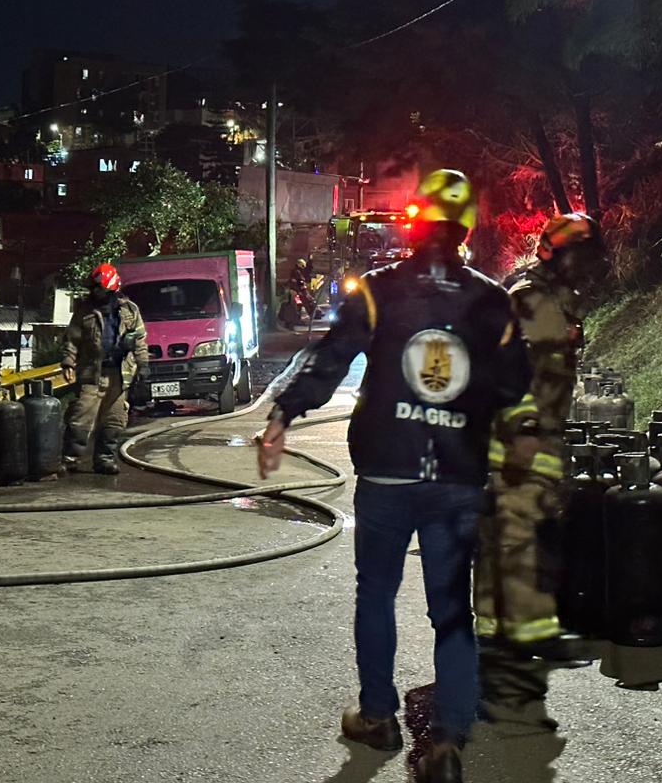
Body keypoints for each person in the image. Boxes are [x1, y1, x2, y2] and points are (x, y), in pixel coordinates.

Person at [257, 169, 530, 783]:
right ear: (466, 227)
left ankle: (378, 715)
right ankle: (450, 737)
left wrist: (281, 416)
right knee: (451, 606)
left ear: (414, 222)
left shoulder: (377, 291)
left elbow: (328, 360)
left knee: (376, 592)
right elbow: (517, 388)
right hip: (457, 475)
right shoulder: (492, 300)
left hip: (386, 471)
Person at [474, 211, 603, 729]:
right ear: (556, 252)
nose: (586, 268)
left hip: (534, 431)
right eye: (579, 256)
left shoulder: (549, 292)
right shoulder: (532, 296)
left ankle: (504, 636)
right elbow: (509, 372)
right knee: (518, 533)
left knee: (516, 532)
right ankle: (519, 641)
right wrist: (524, 433)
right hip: (520, 436)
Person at [60, 263, 150, 476]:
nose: (94, 291)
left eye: (98, 287)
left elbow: (140, 340)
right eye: (93, 287)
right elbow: (72, 338)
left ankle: (104, 459)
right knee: (80, 417)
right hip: (92, 373)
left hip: (119, 376)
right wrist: (68, 362)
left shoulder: (130, 310)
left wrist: (144, 365)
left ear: (110, 288)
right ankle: (69, 459)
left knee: (114, 419)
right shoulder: (85, 310)